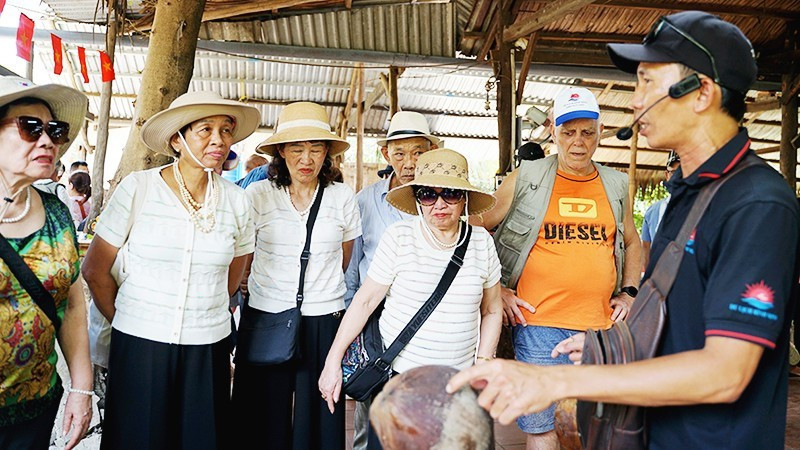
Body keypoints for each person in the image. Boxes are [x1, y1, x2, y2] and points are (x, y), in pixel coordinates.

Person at [448, 11, 799, 450]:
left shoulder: (755, 204)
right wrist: (606, 348)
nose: (635, 102)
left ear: (701, 93)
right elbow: (680, 324)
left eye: (648, 82)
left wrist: (553, 382)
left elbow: (725, 374)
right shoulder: (689, 194)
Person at [82, 91, 259, 450]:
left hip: (207, 345)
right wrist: (130, 319)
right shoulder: (139, 188)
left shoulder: (237, 200)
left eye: (226, 131)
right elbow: (95, 270)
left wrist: (202, 310)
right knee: (138, 439)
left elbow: (233, 275)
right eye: (204, 129)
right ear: (176, 140)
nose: (218, 140)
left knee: (200, 438)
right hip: (139, 344)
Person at [472, 86, 642, 449]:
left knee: (596, 426)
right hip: (538, 324)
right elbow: (477, 228)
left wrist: (629, 292)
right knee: (541, 425)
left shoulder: (615, 183)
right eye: (568, 131)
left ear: (599, 131)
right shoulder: (527, 177)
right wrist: (497, 289)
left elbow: (631, 241)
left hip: (600, 327)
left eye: (587, 132)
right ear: (553, 129)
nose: (578, 142)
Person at [320, 148, 503, 450]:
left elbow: (493, 308)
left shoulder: (481, 242)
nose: (440, 204)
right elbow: (365, 302)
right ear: (417, 198)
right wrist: (332, 361)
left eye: (452, 194)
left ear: (465, 198)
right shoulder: (399, 236)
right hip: (399, 382)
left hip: (459, 383)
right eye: (428, 194)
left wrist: (483, 364)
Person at [231, 101, 361, 450]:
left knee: (319, 412)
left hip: (323, 316)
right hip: (266, 314)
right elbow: (245, 249)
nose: (307, 159)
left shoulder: (342, 197)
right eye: (297, 149)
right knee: (261, 413)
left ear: (327, 154)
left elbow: (344, 258)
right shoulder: (258, 194)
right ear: (281, 153)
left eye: (316, 149)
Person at [0, 76, 92, 449]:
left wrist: (81, 389)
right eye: (30, 127)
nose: (47, 141)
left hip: (34, 405)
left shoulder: (57, 212)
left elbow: (71, 304)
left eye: (54, 131)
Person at [343, 110, 440, 450]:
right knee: (372, 409)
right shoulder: (365, 201)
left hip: (426, 319)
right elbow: (354, 266)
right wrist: (352, 320)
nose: (409, 162)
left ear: (431, 150)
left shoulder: (445, 201)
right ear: (386, 154)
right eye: (399, 153)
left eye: (418, 152)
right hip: (376, 319)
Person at [641, 153, 680, 268]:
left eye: (681, 172)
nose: (678, 176)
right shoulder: (653, 211)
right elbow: (646, 250)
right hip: (659, 275)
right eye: (673, 172)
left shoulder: (701, 207)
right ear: (667, 175)